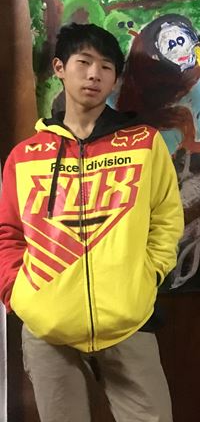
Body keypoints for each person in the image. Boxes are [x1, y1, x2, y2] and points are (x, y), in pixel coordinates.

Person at [0, 23, 184, 422]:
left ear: (115, 79)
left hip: (128, 321)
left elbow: (166, 219)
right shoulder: (25, 156)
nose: (94, 74)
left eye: (106, 67)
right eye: (83, 62)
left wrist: (148, 277)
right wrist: (18, 293)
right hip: (48, 327)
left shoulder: (144, 143)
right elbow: (8, 233)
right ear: (59, 68)